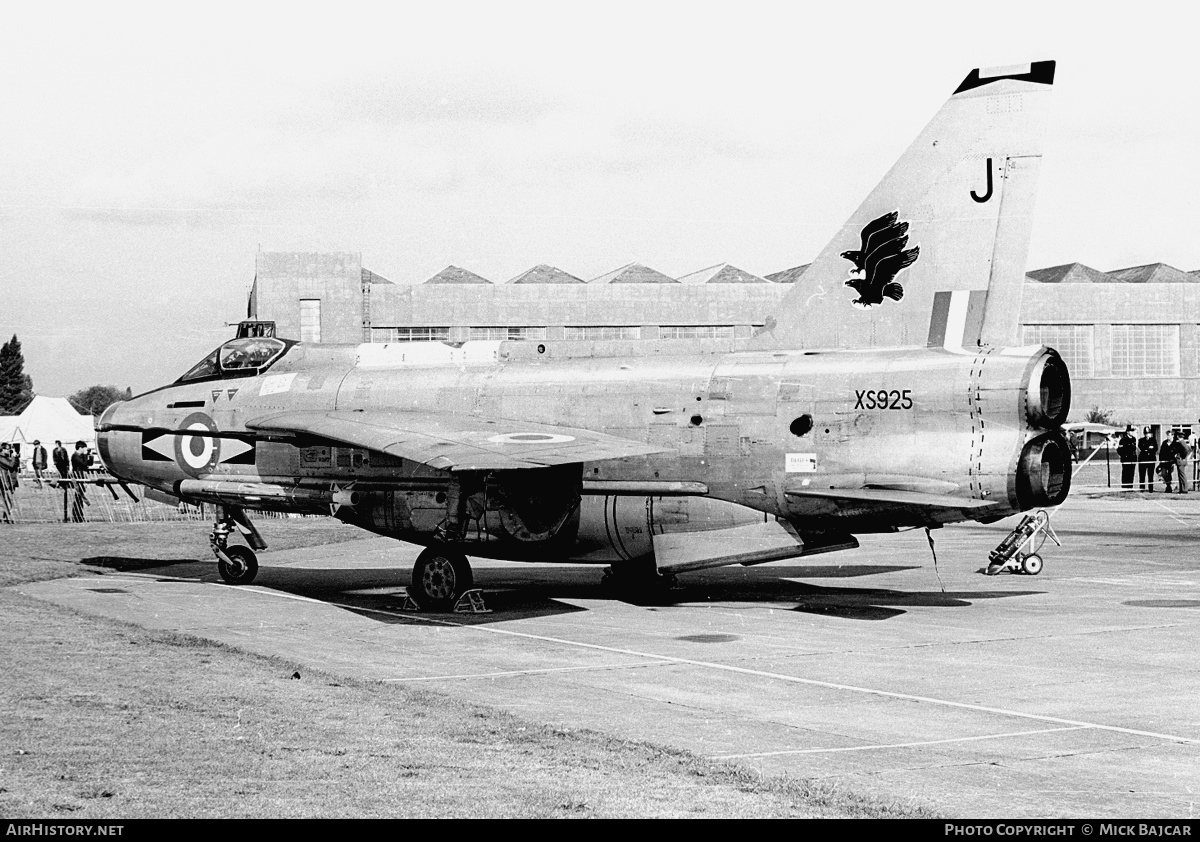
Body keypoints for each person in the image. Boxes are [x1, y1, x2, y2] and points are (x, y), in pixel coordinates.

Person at [69, 440, 91, 522]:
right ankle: (77, 516)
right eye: (84, 449)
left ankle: (79, 516)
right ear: (80, 448)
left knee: (79, 497)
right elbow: (84, 464)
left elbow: (88, 464)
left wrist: (90, 456)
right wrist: (85, 455)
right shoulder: (75, 456)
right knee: (78, 497)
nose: (84, 450)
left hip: (81, 477)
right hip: (78, 478)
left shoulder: (80, 456)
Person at [1116, 425, 1137, 491]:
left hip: (1132, 459)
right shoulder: (1123, 440)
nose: (1132, 432)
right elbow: (1119, 450)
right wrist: (1124, 455)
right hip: (1126, 459)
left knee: (1131, 473)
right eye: (1131, 431)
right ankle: (1125, 487)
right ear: (1128, 432)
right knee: (1125, 473)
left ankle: (1130, 487)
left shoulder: (1134, 439)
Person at [1137, 427, 1158, 492]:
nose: (1147, 435)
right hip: (1143, 459)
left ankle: (1150, 489)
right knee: (1142, 475)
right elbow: (1141, 447)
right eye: (1146, 433)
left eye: (1148, 433)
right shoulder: (1141, 440)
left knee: (1150, 475)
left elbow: (1156, 449)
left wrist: (1147, 449)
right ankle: (1142, 488)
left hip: (1151, 459)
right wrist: (1149, 448)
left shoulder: (1153, 440)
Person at [0, 443, 16, 523]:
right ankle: (8, 517)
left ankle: (6, 517)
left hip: (8, 482)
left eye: (9, 448)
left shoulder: (6, 457)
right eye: (7, 448)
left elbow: (15, 465)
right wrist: (13, 457)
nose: (8, 450)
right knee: (7, 499)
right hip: (3, 482)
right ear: (2, 449)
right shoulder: (1, 458)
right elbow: (10, 465)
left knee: (7, 500)